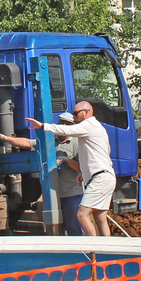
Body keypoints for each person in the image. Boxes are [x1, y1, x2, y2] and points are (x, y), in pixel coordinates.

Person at [26, 101, 114, 236]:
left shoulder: (89, 124)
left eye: (75, 113)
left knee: (82, 215)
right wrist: (85, 173)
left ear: (87, 112)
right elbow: (101, 153)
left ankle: (94, 248)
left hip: (100, 178)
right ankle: (107, 250)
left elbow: (67, 130)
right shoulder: (98, 128)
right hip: (105, 176)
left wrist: (43, 126)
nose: (73, 117)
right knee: (100, 218)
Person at [0, 112, 85, 235]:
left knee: (74, 228)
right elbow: (27, 143)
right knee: (57, 231)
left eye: (67, 124)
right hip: (53, 195)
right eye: (61, 123)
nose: (63, 125)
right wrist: (5, 138)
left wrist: (66, 160)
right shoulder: (51, 142)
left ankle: (81, 253)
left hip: (72, 195)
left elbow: (82, 168)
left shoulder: (78, 144)